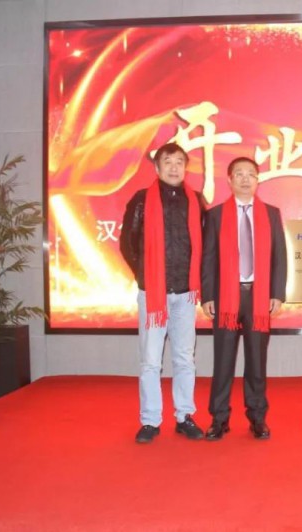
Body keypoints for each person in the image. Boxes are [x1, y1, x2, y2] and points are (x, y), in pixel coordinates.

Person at [119, 142, 205, 443]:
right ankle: (150, 421)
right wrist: (145, 275)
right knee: (151, 361)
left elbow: (204, 245)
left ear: (186, 167)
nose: (174, 167)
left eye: (179, 162)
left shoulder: (196, 201)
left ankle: (184, 416)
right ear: (157, 167)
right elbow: (127, 244)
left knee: (184, 359)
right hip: (153, 294)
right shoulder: (142, 200)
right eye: (168, 162)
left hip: (185, 294)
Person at [201, 157, 287, 441]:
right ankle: (219, 419)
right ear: (229, 180)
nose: (245, 179)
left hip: (258, 298)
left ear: (258, 180)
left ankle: (257, 418)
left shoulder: (271, 214)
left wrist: (277, 293)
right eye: (239, 174)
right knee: (223, 362)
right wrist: (208, 295)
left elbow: (279, 257)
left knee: (257, 362)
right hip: (226, 298)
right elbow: (208, 258)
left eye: (251, 174)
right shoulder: (215, 215)